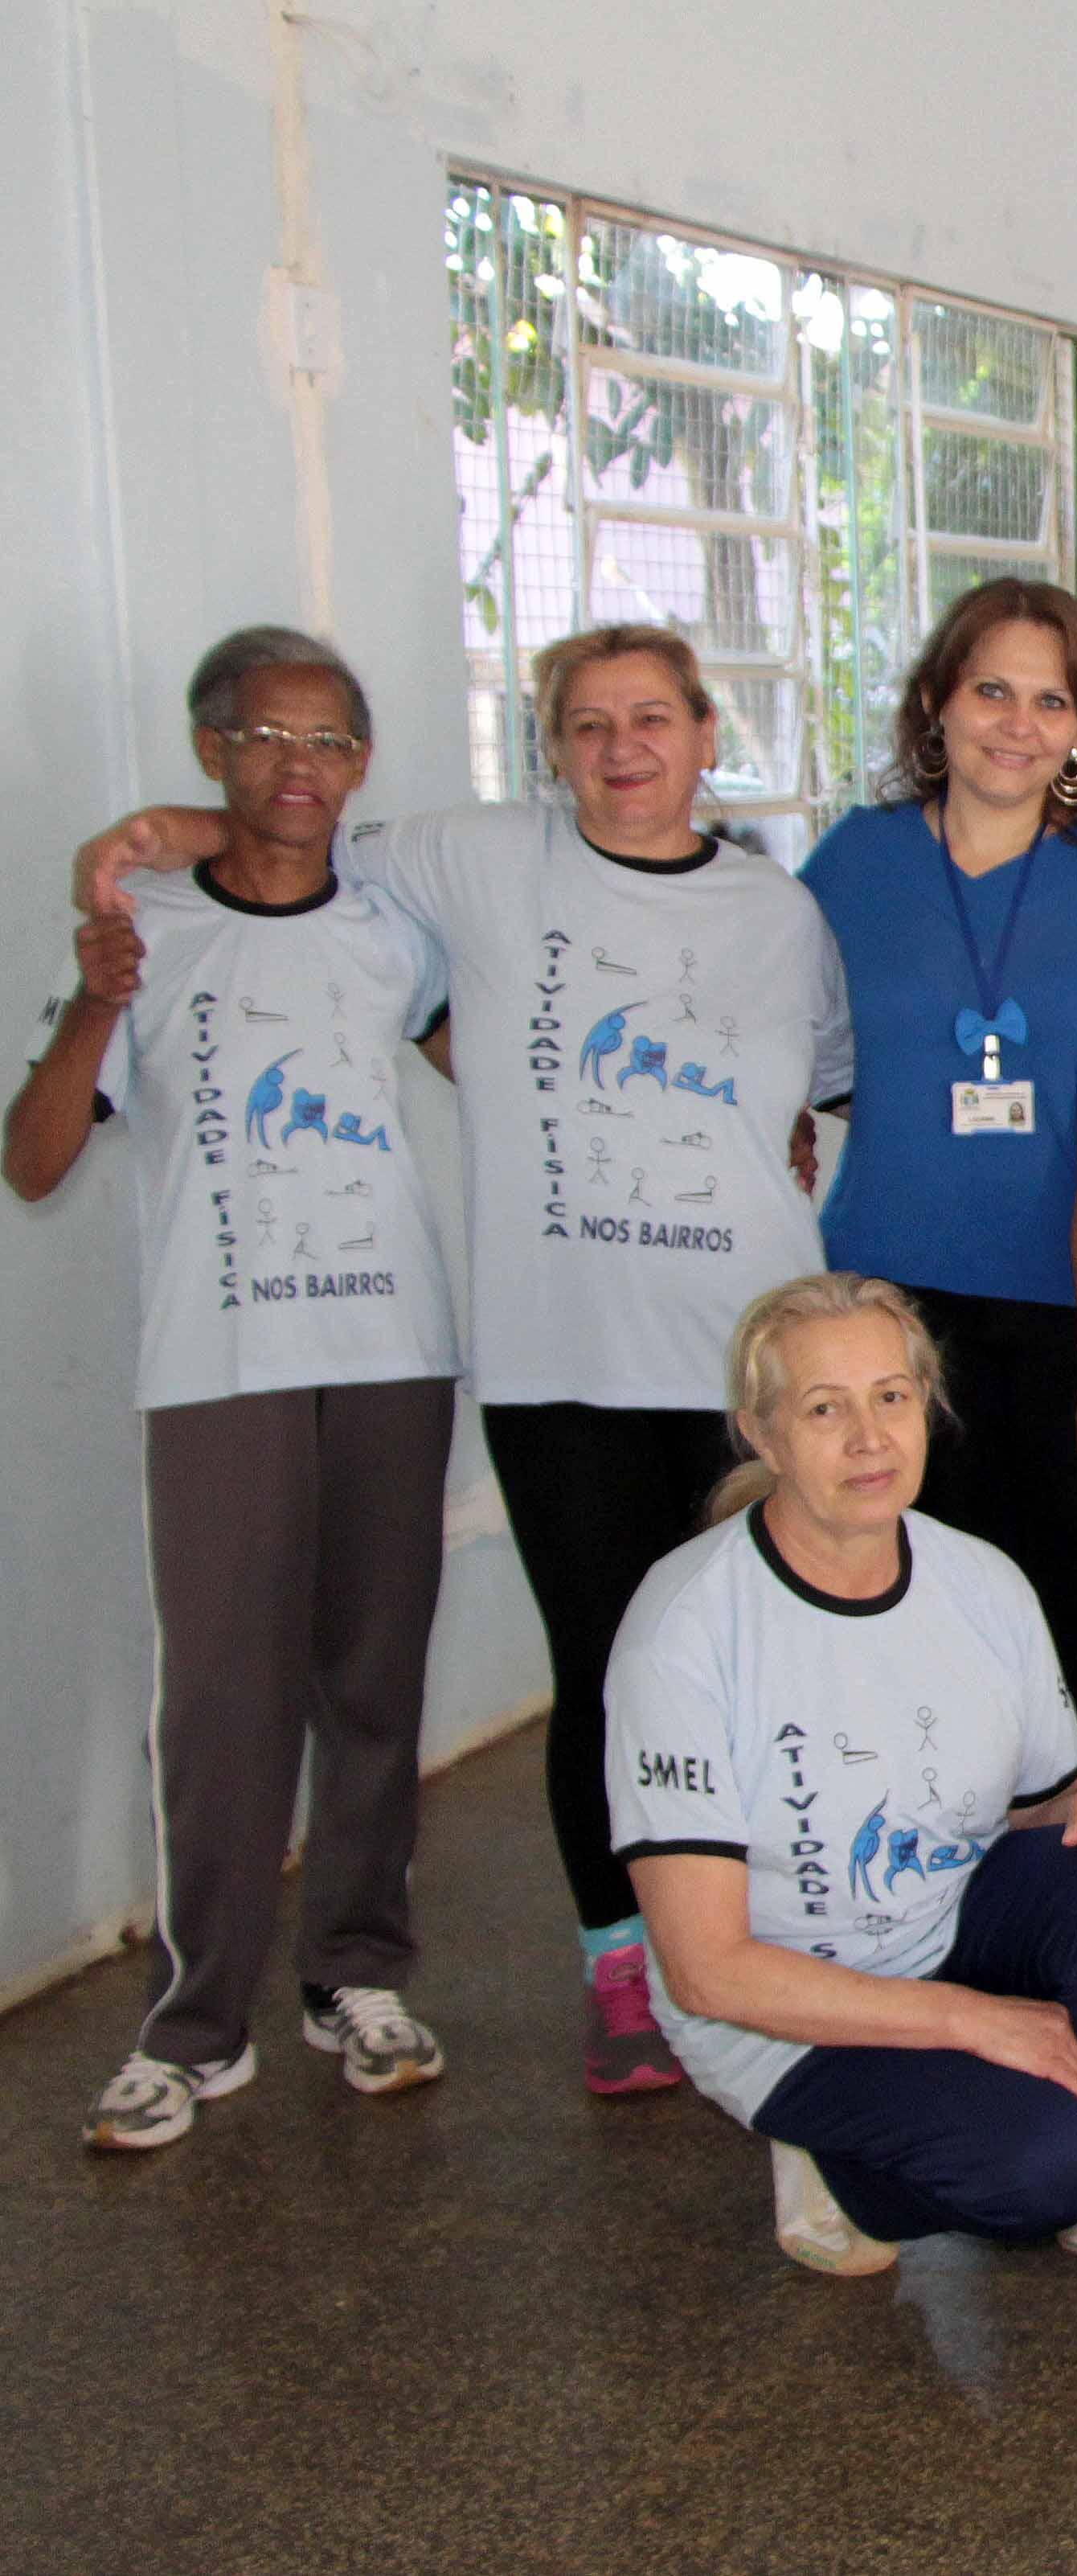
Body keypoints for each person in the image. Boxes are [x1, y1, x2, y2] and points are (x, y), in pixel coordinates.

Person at [75, 622, 855, 2099]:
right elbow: (290, 832)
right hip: (556, 1367)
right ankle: (625, 1971)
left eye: (652, 719)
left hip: (743, 1372)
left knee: (759, 1666)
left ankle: (775, 1951)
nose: (622, 748)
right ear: (553, 751)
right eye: (586, 724)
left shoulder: (782, 912)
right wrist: (146, 837)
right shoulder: (473, 860)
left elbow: (815, 1091)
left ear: (704, 735)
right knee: (606, 1675)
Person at [14, 630, 460, 2150]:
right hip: (219, 1360)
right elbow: (37, 1158)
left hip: (394, 1343)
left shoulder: (401, 922)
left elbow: (513, 1078)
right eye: (265, 735)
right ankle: (195, 2021)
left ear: (361, 762)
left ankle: (358, 1973)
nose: (297, 765)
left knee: (374, 1679)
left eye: (329, 739)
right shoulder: (138, 920)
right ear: (209, 747)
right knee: (218, 1701)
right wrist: (90, 1004)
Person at [608, 1273, 1077, 2308]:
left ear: (928, 1408)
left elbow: (1044, 1800)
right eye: (825, 1409)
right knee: (1038, 2167)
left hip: (942, 1928)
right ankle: (823, 2150)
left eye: (892, 1398)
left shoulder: (981, 1582)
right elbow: (706, 1973)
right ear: (761, 1435)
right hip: (782, 2014)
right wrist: (965, 2020)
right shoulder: (685, 1630)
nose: (869, 1438)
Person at [801, 580, 1077, 1782]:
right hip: (888, 1300)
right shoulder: (854, 862)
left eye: (1050, 699)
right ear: (937, 700)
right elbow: (800, 1044)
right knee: (901, 1586)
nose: (1017, 724)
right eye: (991, 690)